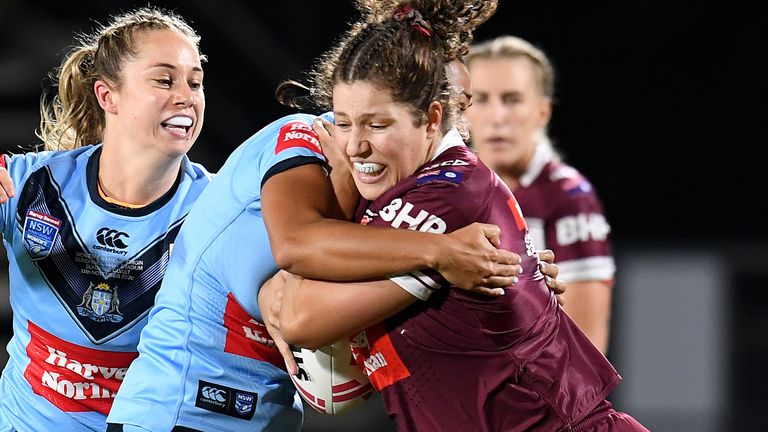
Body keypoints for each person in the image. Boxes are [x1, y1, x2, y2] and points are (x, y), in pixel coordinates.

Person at [0, 6, 535, 432]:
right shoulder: (30, 183)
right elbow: (299, 266)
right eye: (165, 80)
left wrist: (512, 273)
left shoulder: (213, 207)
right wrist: (443, 260)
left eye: (196, 81)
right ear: (106, 96)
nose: (186, 96)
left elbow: (297, 314)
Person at [259, 0, 648, 431]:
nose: (354, 146)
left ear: (431, 120)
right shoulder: (414, 189)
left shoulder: (449, 200)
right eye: (345, 123)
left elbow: (298, 314)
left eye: (377, 125)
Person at [465, 35, 616, 353]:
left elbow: (586, 349)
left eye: (512, 99)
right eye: (480, 99)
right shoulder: (447, 188)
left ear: (542, 112)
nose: (497, 116)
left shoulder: (569, 199)